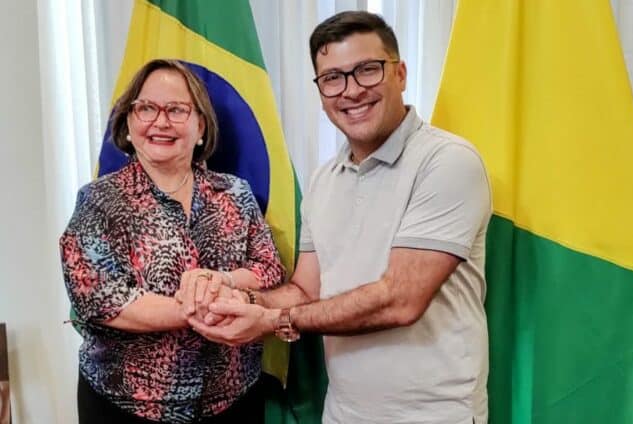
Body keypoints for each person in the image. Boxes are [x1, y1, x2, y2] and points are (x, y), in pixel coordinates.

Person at [183, 11, 492, 424]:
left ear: (400, 73)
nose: (351, 90)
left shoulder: (448, 162)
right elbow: (305, 291)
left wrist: (274, 319)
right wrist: (241, 299)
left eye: (367, 70)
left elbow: (401, 300)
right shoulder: (324, 179)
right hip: (342, 412)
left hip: (434, 414)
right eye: (333, 78)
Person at [60, 59, 285, 424]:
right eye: (146, 108)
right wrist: (206, 306)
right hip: (127, 406)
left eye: (177, 110)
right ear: (129, 123)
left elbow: (270, 268)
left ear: (201, 126)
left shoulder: (235, 193)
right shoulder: (99, 201)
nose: (160, 122)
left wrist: (223, 280)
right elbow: (100, 297)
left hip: (233, 400)